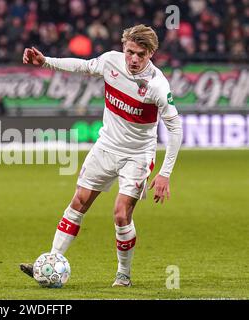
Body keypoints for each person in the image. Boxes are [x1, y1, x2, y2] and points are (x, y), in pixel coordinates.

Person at [19, 25, 183, 287]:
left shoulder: (157, 86)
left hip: (137, 155)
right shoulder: (111, 62)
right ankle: (52, 260)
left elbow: (175, 128)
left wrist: (165, 173)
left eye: (141, 54)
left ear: (151, 53)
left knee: (120, 214)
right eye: (129, 51)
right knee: (79, 201)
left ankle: (123, 275)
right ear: (123, 47)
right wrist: (46, 61)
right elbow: (83, 66)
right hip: (106, 146)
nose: (133, 59)